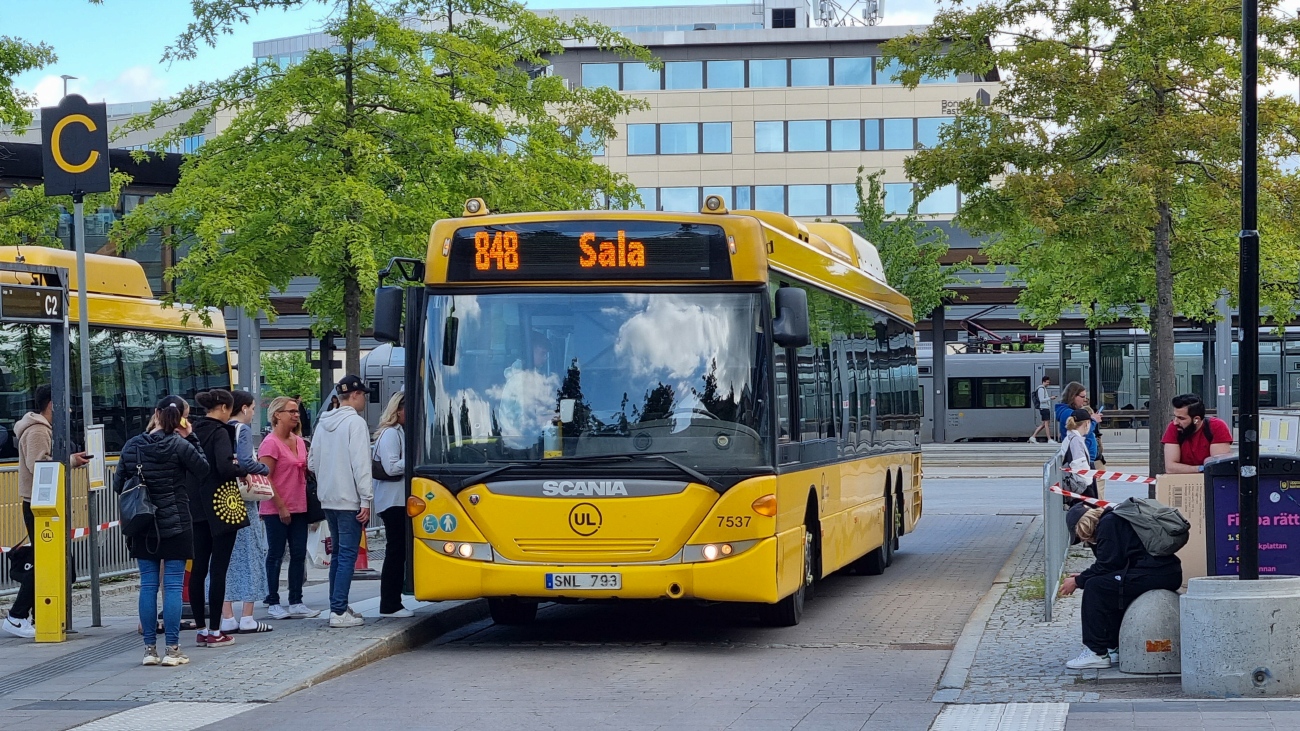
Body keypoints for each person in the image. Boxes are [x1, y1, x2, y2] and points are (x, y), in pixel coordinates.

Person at [115, 395, 209, 667]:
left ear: (156, 413)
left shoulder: (133, 445)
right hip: (177, 523)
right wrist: (191, 437)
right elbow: (203, 471)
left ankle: (148, 651)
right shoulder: (180, 445)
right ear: (182, 417)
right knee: (172, 585)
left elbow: (118, 483)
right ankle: (172, 649)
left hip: (142, 525)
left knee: (148, 585)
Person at [3, 385, 88, 639]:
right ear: (52, 405)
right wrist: (71, 460)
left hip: (40, 502)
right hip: (38, 504)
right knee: (48, 563)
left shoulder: (40, 428)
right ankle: (17, 616)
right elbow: (40, 465)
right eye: (66, 404)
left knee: (57, 564)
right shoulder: (38, 430)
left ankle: (39, 615)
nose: (70, 410)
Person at [1058, 506, 1182, 669]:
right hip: (1163, 572)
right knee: (1107, 586)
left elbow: (1107, 565)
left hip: (1155, 574)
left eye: (1081, 537)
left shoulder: (1108, 524)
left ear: (1083, 527)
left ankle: (1096, 652)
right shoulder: (1112, 520)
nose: (1085, 541)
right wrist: (1083, 576)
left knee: (1095, 587)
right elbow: (1114, 564)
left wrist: (1079, 581)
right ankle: (1113, 647)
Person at [309, 375, 374, 628]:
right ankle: (338, 611)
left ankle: (337, 605)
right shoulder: (355, 424)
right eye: (364, 395)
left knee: (337, 554)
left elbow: (311, 462)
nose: (365, 400)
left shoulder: (323, 423)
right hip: (349, 498)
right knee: (347, 554)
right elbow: (361, 465)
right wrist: (366, 499)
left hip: (328, 498)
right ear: (356, 395)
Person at [189, 389, 250, 647]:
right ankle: (216, 631)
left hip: (195, 506)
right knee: (219, 570)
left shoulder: (193, 432)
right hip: (222, 505)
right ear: (225, 408)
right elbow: (225, 467)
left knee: (198, 569)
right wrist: (242, 469)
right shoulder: (221, 432)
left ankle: (201, 628)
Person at [258, 397, 320, 620]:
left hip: (300, 505)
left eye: (297, 412)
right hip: (276, 508)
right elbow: (266, 477)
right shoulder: (270, 443)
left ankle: (296, 600)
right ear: (277, 415)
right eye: (291, 411)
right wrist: (281, 506)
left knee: (298, 553)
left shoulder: (299, 441)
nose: (296, 415)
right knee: (275, 554)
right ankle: (273, 600)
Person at [220, 390, 274, 635]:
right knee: (251, 553)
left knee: (224, 558)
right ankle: (248, 617)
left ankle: (227, 616)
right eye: (252, 408)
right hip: (244, 501)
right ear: (243, 408)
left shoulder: (218, 430)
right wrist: (262, 468)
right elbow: (245, 461)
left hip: (223, 500)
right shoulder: (240, 430)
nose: (253, 412)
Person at [372, 392, 412, 618]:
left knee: (398, 551)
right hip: (392, 501)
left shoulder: (400, 433)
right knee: (395, 551)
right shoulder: (390, 434)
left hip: (398, 500)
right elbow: (391, 467)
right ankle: (390, 603)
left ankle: (393, 601)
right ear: (397, 410)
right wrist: (417, 457)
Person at [1162, 393, 1233, 474]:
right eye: (1175, 416)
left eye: (1181, 418)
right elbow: (1170, 468)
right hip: (1183, 481)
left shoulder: (1217, 427)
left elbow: (1217, 467)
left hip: (1209, 482)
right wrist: (1201, 469)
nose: (1175, 422)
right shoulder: (1174, 428)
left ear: (1196, 420)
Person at [1054, 382, 1101, 464]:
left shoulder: (1066, 412)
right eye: (1082, 396)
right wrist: (1093, 421)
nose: (1085, 399)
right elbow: (1083, 431)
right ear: (1073, 396)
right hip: (1081, 458)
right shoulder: (1068, 413)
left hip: (1082, 457)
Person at [1061, 408, 1099, 501]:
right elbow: (1079, 464)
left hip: (1075, 485)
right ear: (1087, 423)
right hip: (1081, 487)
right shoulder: (1076, 440)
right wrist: (1089, 482)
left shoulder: (1070, 438)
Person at [1028, 376, 1056, 443]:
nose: (1048, 384)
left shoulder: (1043, 389)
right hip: (1044, 408)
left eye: (1049, 382)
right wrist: (1050, 398)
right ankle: (1049, 439)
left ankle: (1033, 437)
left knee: (1043, 424)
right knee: (1046, 424)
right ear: (1043, 381)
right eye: (1047, 382)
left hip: (1045, 408)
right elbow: (1041, 400)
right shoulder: (1041, 389)